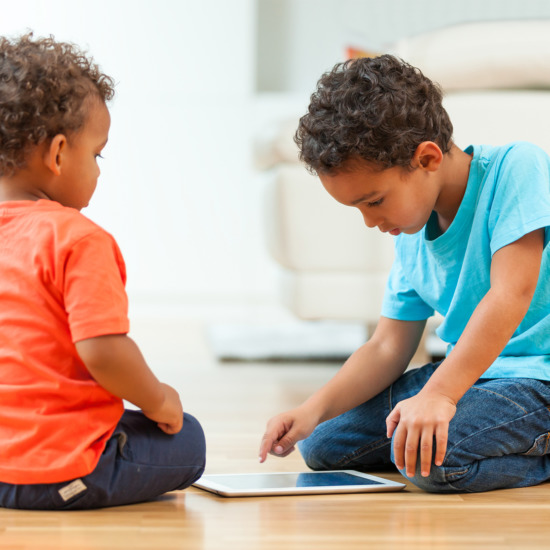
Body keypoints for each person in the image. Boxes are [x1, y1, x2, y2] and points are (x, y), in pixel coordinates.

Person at [259, 54, 550, 493]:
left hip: (537, 379)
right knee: (323, 445)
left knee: (432, 464)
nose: (369, 222)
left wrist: (440, 395)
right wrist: (312, 409)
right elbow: (386, 346)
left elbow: (510, 294)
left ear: (427, 158)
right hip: (469, 375)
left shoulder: (517, 169)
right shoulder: (412, 231)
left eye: (373, 201)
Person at [0, 34, 205, 510]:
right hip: (62, 474)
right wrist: (157, 400)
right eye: (97, 154)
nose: (98, 169)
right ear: (57, 154)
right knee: (187, 438)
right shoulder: (78, 238)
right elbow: (104, 351)